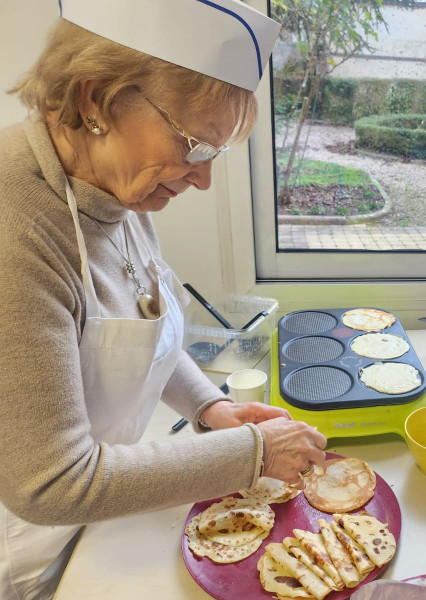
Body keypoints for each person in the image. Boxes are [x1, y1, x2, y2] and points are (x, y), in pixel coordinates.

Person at [0, 1, 327, 598]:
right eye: (195, 145)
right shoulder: (16, 232)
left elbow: (144, 326)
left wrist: (211, 408)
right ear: (96, 100)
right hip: (29, 548)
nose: (202, 179)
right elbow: (48, 484)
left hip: (103, 509)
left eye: (214, 153)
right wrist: (251, 452)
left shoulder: (112, 191)